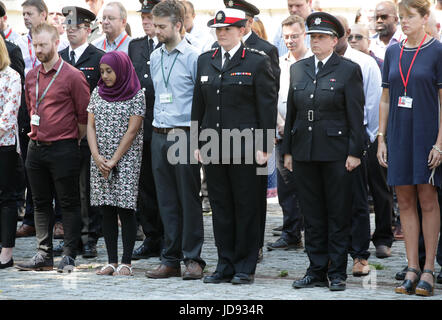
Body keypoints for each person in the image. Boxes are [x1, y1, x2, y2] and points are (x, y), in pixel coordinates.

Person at [192, 7, 277, 285]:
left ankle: (245, 265)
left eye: (227, 29)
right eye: (218, 30)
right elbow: (199, 106)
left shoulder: (256, 61)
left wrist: (265, 145)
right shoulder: (206, 60)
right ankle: (224, 263)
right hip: (215, 145)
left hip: (247, 147)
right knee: (221, 207)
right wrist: (196, 141)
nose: (222, 34)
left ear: (242, 30)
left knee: (247, 206)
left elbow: (266, 106)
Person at [283, 12, 365, 291]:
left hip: (335, 152)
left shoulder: (348, 69)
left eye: (320, 37)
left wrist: (355, 151)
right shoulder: (299, 68)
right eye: (312, 37)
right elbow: (293, 113)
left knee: (338, 213)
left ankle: (337, 271)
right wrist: (289, 151)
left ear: (333, 40)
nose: (315, 41)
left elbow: (355, 114)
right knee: (312, 214)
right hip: (305, 151)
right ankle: (316, 268)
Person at [377, 0, 442, 297]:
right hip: (399, 133)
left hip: (427, 133)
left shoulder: (438, 50)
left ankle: (429, 268)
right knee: (403, 200)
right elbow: (387, 97)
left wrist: (440, 143)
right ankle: (411, 267)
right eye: (401, 17)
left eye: (410, 17)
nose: (404, 22)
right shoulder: (393, 51)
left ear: (425, 18)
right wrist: (381, 138)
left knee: (427, 198)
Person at [15, 23, 90, 273]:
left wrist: (69, 138)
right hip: (36, 148)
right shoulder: (31, 75)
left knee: (68, 203)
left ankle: (69, 254)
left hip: (64, 147)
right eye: (36, 45)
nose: (39, 50)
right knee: (39, 202)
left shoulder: (72, 75)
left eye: (44, 44)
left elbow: (83, 116)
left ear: (57, 43)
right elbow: (30, 106)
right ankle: (43, 254)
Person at [145, 0, 205, 280]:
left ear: (178, 25)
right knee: (166, 200)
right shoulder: (155, 56)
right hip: (159, 134)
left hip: (184, 135)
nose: (156, 31)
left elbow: (201, 101)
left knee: (188, 199)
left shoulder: (194, 56)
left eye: (161, 26)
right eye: (155, 26)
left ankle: (193, 258)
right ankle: (170, 258)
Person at [223, 0, 280, 264]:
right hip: (224, 138)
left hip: (254, 136)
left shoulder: (265, 50)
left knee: (254, 196)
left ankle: (253, 244)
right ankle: (234, 244)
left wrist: (265, 141)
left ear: (248, 22)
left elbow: (269, 97)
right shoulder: (218, 49)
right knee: (230, 197)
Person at [334, 15, 385, 277]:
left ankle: (359, 255)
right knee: (331, 203)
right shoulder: (314, 63)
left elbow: (373, 106)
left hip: (356, 140)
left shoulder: (364, 63)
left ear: (343, 34)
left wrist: (367, 142)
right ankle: (334, 256)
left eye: (334, 33)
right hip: (327, 142)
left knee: (357, 202)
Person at [87, 51, 145, 276]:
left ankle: (126, 262)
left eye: (109, 71)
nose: (106, 76)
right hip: (100, 159)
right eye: (102, 71)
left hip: (126, 159)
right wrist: (96, 155)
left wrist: (113, 160)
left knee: (125, 209)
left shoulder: (136, 94)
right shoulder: (97, 93)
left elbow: (133, 130)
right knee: (107, 209)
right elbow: (90, 125)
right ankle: (111, 261)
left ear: (120, 69)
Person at [59, 6, 105, 259]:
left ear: (88, 29)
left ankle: (89, 238)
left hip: (89, 132)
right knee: (66, 189)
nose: (70, 31)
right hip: (63, 132)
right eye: (67, 27)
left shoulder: (98, 58)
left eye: (75, 28)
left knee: (88, 189)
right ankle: (71, 238)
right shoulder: (60, 56)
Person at [267, 15, 310, 252]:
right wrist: (280, 123)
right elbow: (271, 96)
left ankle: (312, 232)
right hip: (282, 132)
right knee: (286, 187)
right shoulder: (280, 63)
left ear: (304, 35)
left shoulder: (313, 61)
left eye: (295, 36)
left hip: (307, 133)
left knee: (308, 185)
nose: (290, 41)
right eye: (286, 37)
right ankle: (291, 233)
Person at [129, 0, 164, 261]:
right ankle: (152, 236)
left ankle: (171, 239)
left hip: (166, 124)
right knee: (145, 187)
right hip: (142, 125)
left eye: (150, 15)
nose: (145, 20)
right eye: (143, 15)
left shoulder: (170, 44)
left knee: (169, 186)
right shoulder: (136, 46)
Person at [0, 36, 22, 269]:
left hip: (4, 145)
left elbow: (8, 115)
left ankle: (7, 251)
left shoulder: (11, 76)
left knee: (6, 197)